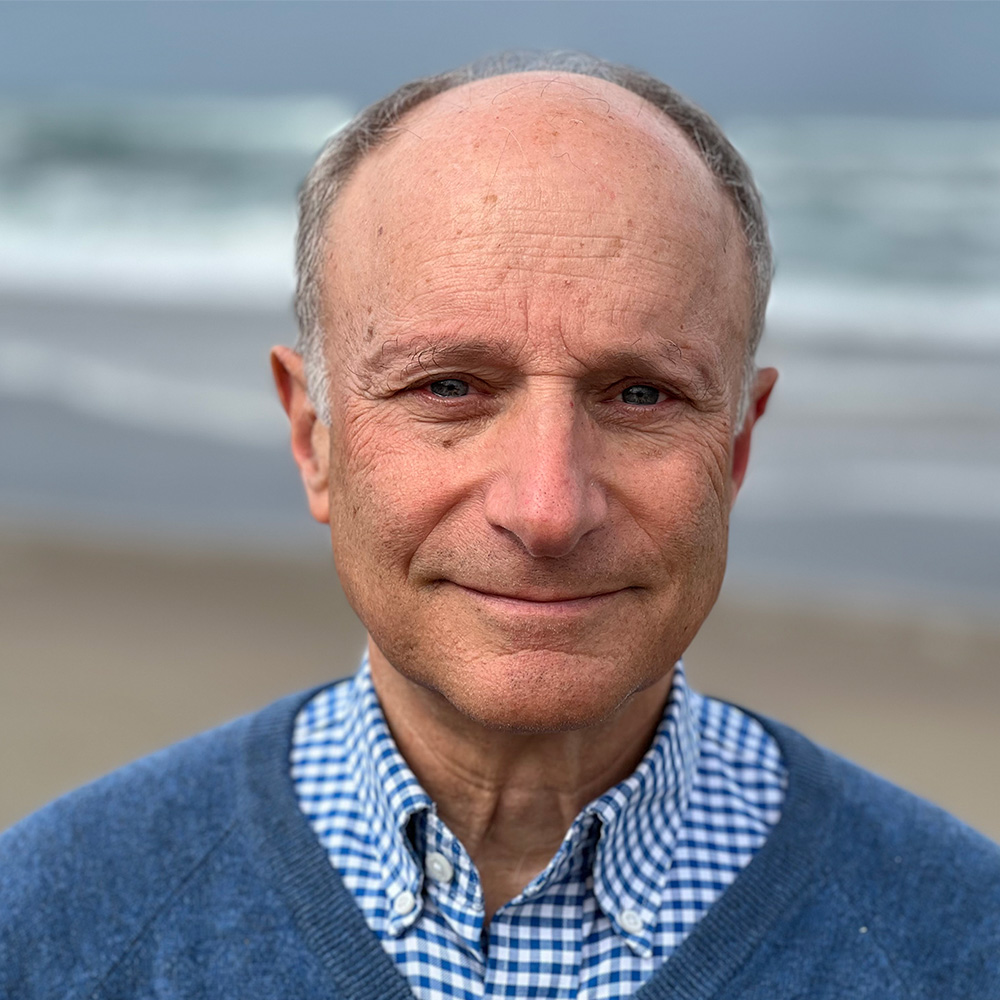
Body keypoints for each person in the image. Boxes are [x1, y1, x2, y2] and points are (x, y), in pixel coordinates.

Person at [1, 51, 998, 1000]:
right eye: (449, 387)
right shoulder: (49, 928)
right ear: (314, 437)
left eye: (640, 395)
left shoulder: (962, 944)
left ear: (735, 447)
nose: (547, 509)